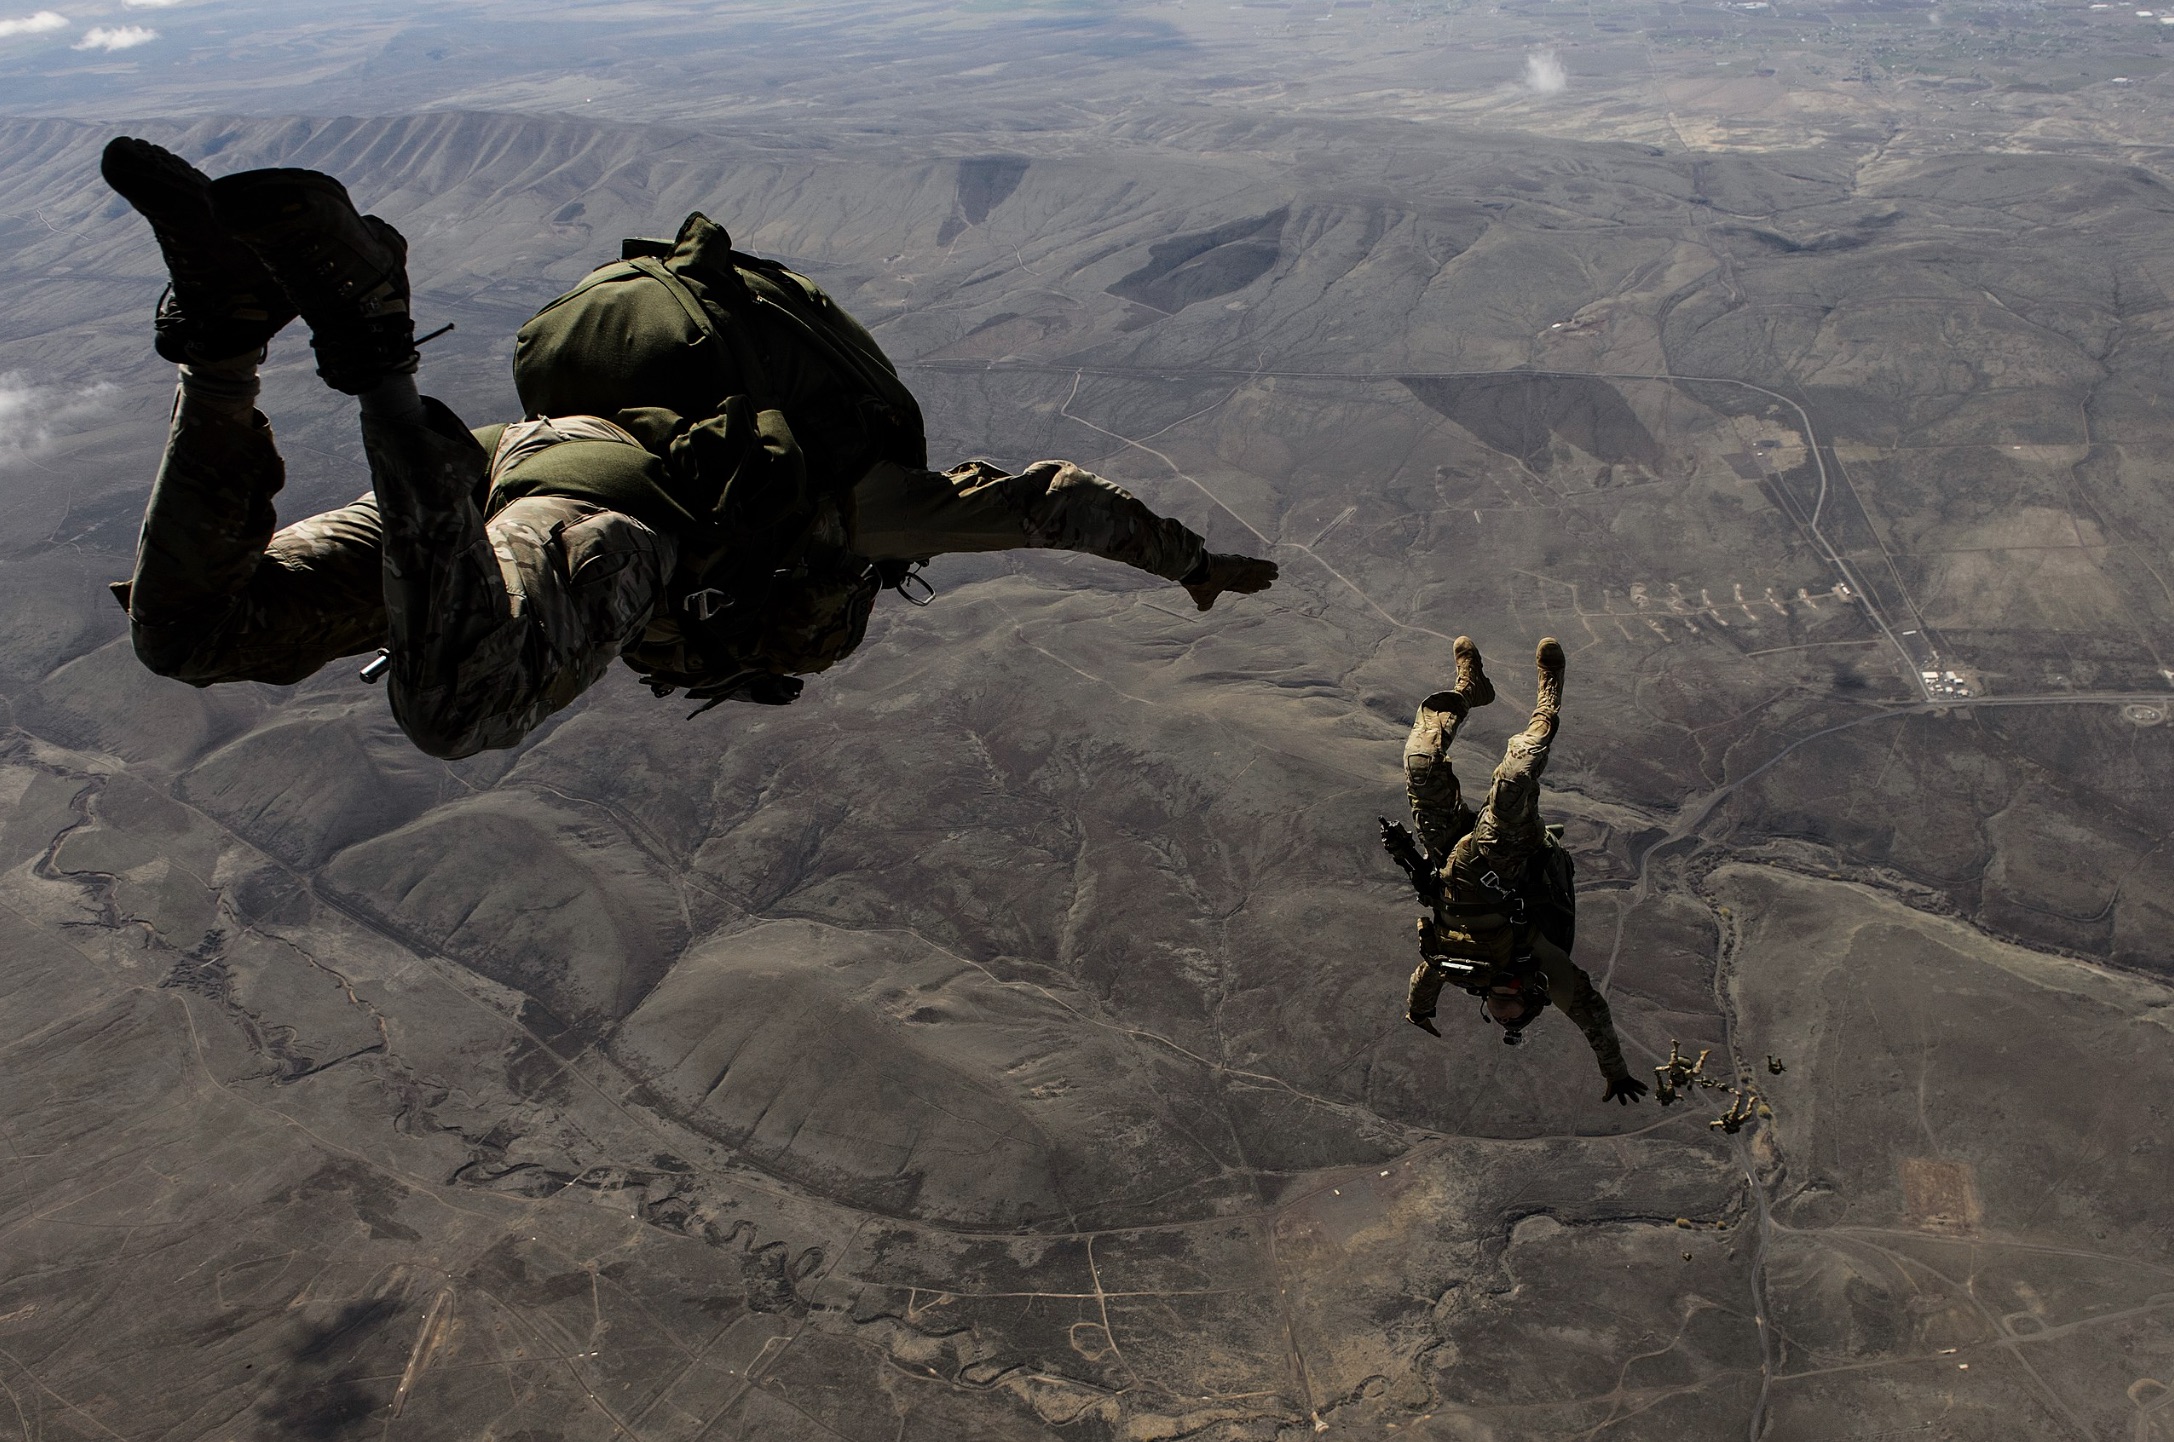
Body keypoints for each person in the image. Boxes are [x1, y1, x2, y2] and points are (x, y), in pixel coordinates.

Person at [99, 138, 1279, 759]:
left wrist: (1185, 561)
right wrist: (1193, 567)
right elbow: (1054, 501)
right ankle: (373, 335)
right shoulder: (848, 509)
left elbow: (1049, 501)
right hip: (585, 505)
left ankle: (222, 342)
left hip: (515, 461)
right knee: (458, 708)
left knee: (192, 631)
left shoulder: (849, 505)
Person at [1381, 636, 1648, 1105]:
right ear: (1531, 998)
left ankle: (1468, 688)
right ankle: (1549, 698)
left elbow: (1426, 978)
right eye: (1513, 1008)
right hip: (1507, 860)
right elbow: (1595, 1020)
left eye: (1496, 1010)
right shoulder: (1544, 967)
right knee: (1514, 777)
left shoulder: (1464, 972)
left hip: (1448, 857)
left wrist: (1419, 1013)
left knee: (1420, 763)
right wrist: (1616, 1073)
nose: (1502, 1005)